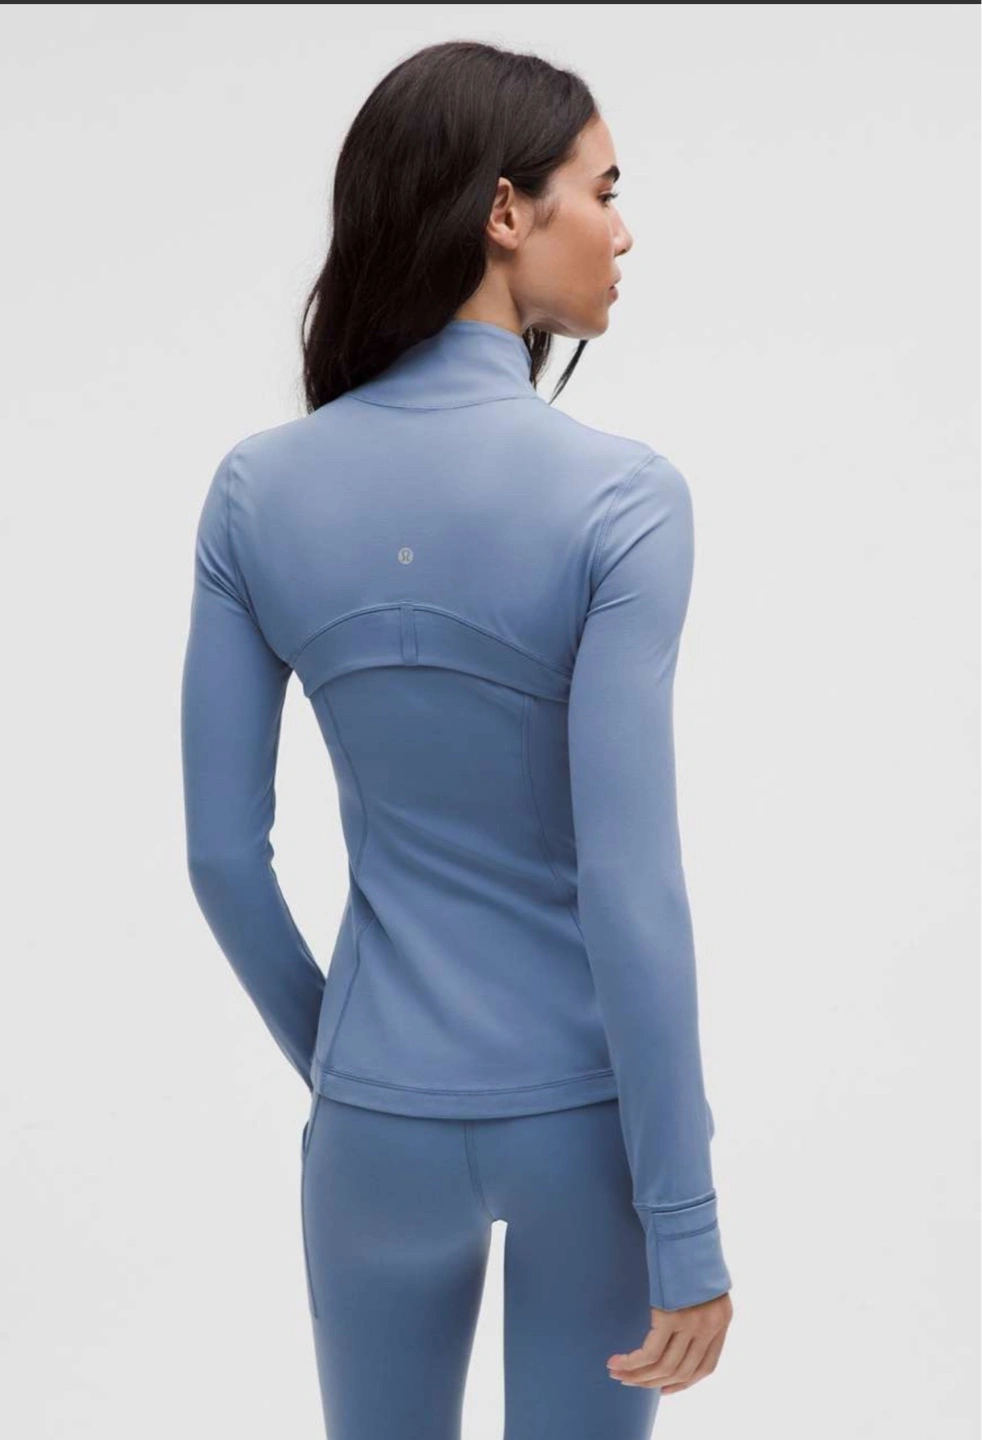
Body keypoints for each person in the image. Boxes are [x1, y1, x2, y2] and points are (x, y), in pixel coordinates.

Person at [181, 38, 734, 1440]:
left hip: (372, 1135)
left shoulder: (255, 492)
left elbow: (222, 859)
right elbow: (631, 890)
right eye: (601, 190)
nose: (622, 229)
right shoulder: (622, 500)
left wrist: (353, 1068)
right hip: (580, 1130)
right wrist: (684, 1219)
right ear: (504, 212)